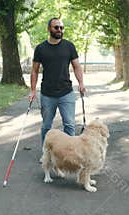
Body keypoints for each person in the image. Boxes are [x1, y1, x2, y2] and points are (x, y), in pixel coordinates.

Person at [29, 17, 86, 149]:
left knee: (70, 125)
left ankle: (70, 153)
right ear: (49, 29)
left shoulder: (69, 46)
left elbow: (77, 66)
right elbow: (34, 71)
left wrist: (81, 83)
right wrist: (32, 90)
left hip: (66, 92)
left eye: (61, 27)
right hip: (47, 94)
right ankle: (46, 153)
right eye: (56, 27)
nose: (59, 30)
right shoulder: (40, 48)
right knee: (46, 126)